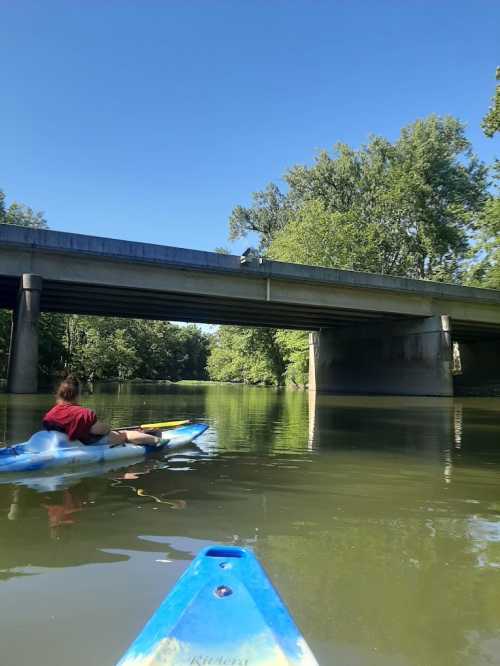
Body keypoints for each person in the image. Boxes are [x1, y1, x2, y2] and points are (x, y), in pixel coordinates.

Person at [42, 376, 164, 447]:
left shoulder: (50, 414)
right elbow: (100, 430)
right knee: (124, 434)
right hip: (87, 444)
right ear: (77, 395)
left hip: (61, 444)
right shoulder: (83, 413)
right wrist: (108, 428)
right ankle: (157, 441)